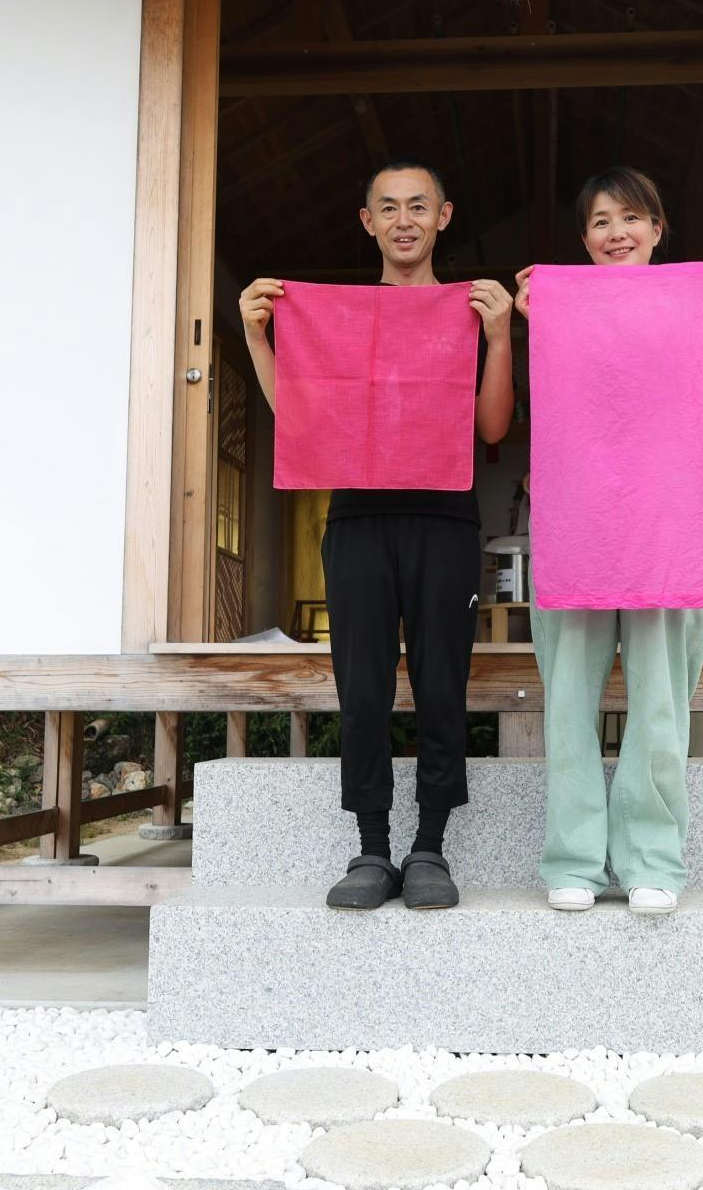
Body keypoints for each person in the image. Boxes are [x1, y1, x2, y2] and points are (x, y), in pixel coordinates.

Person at [239, 158, 515, 911]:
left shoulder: (468, 312)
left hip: (445, 519)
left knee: (440, 685)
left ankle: (430, 847)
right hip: (358, 519)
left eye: (418, 206)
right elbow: (301, 416)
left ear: (443, 217)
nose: (403, 220)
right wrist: (259, 338)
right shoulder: (342, 320)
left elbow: (493, 427)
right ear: (367, 222)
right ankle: (370, 847)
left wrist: (498, 337)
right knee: (360, 687)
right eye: (388, 207)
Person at [513, 165, 703, 915]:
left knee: (658, 704)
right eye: (600, 221)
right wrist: (537, 320)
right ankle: (574, 862)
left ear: (656, 228)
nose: (615, 233)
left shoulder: (687, 307)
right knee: (568, 702)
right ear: (584, 238)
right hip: (578, 521)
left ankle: (653, 860)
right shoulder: (561, 308)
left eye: (629, 218)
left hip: (663, 525)